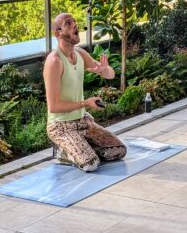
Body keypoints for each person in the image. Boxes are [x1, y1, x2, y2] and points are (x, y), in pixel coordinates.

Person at [43, 11, 126, 172]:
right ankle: (63, 152)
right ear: (57, 33)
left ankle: (80, 147)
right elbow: (53, 107)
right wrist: (85, 103)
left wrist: (104, 70)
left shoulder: (80, 54)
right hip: (60, 126)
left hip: (83, 122)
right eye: (68, 23)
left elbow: (111, 75)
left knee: (119, 150)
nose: (75, 25)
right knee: (91, 165)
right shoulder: (54, 62)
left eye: (74, 22)